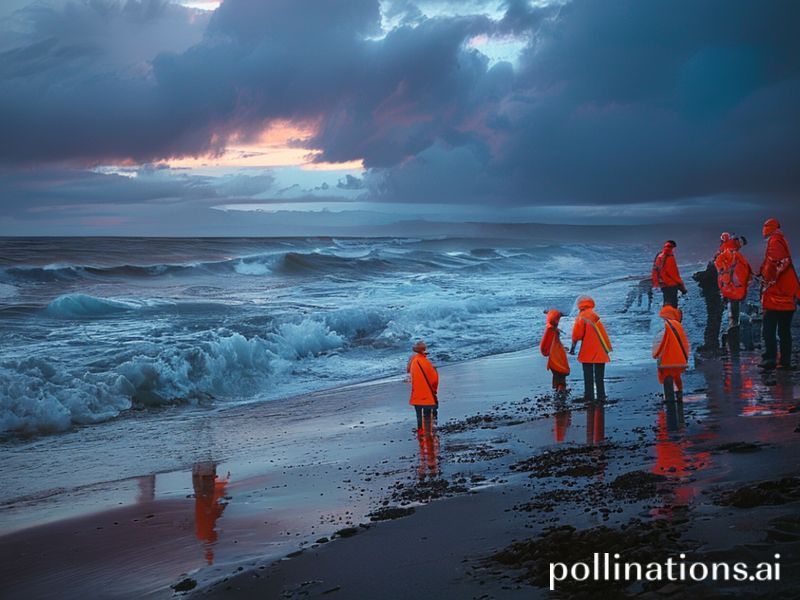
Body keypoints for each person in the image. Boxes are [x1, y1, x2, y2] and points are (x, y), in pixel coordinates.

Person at [758, 218, 799, 370]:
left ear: (768, 228)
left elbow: (774, 263)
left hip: (776, 297)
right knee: (784, 331)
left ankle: (770, 359)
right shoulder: (781, 240)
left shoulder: (774, 241)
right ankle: (785, 361)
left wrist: (766, 278)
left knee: (768, 329)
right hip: (787, 297)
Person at [714, 232, 752, 354]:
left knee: (729, 315)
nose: (741, 245)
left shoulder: (725, 250)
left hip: (726, 288)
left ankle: (726, 342)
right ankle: (732, 345)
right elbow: (742, 269)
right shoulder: (732, 251)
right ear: (738, 241)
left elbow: (720, 266)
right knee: (734, 317)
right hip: (732, 289)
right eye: (741, 243)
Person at [570, 296, 612, 401]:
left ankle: (589, 395)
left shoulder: (581, 317)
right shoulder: (594, 315)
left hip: (588, 350)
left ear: (580, 305)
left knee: (588, 374)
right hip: (601, 348)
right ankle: (601, 395)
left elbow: (577, 335)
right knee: (599, 376)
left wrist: (572, 348)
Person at [653, 305, 690, 402]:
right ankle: (679, 394)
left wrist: (656, 355)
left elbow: (660, 343)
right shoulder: (678, 325)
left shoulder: (664, 326)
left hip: (666, 360)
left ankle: (668, 397)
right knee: (677, 377)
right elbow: (684, 343)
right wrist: (685, 357)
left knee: (666, 378)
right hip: (679, 359)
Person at [407, 340, 439, 432]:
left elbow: (408, 371)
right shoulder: (425, 362)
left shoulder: (413, 360)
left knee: (419, 416)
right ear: (424, 351)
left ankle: (420, 430)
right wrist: (435, 371)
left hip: (416, 396)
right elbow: (434, 381)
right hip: (427, 397)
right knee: (428, 414)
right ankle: (430, 430)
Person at [539, 309, 570, 394]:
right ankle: (561, 390)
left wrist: (562, 347)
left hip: (553, 358)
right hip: (557, 358)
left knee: (557, 375)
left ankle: (559, 389)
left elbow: (549, 343)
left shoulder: (550, 328)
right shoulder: (553, 330)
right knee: (561, 376)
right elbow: (554, 343)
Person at [652, 240, 688, 308]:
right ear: (673, 247)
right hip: (671, 284)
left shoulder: (659, 256)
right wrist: (682, 288)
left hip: (663, 284)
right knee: (672, 304)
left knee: (666, 302)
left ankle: (665, 314)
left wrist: (656, 283)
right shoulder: (669, 257)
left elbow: (655, 271)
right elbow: (674, 274)